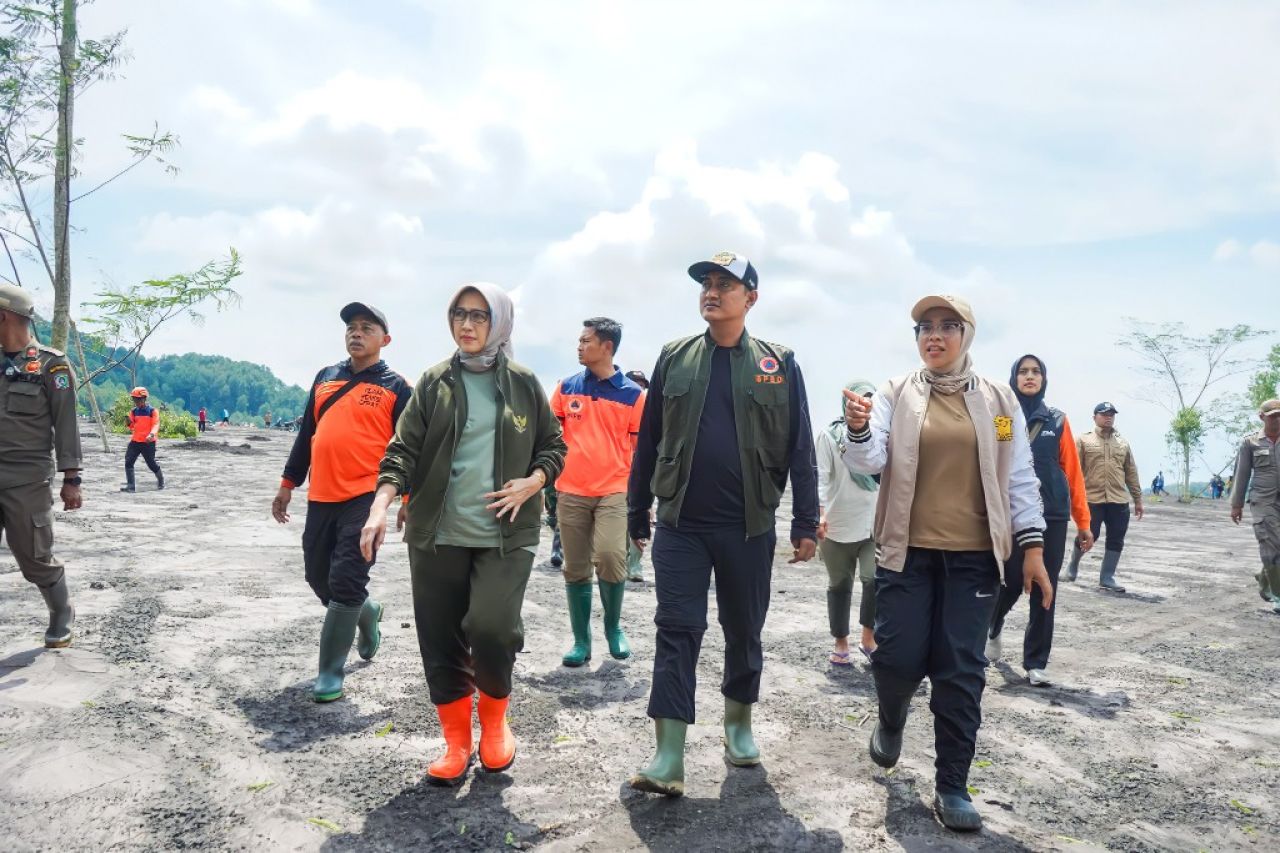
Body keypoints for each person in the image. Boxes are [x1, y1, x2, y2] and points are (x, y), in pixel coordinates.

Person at [843, 295, 1050, 832]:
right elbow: (869, 461)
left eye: (946, 326)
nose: (933, 336)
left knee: (961, 670)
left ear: (967, 334)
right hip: (906, 554)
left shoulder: (1001, 405)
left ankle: (952, 784)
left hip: (975, 560)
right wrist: (859, 427)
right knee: (896, 656)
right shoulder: (895, 394)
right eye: (924, 327)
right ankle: (891, 721)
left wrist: (1032, 549)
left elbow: (1016, 473)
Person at [627, 251, 819, 797]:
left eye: (725, 285)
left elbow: (799, 444)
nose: (712, 292)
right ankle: (668, 754)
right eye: (706, 284)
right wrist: (636, 508)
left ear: (750, 298)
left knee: (744, 630)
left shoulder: (779, 363)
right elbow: (651, 438)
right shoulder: (676, 357)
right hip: (681, 524)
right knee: (676, 630)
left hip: (749, 525)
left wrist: (806, 519)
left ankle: (738, 726)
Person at [360, 282, 565, 786]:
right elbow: (402, 450)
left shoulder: (522, 382)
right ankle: (456, 740)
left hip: (505, 534)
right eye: (458, 314)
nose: (467, 325)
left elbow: (554, 447)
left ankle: (495, 726)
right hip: (438, 534)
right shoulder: (433, 383)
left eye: (478, 316)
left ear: (498, 322)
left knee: (493, 628)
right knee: (440, 635)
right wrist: (380, 506)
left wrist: (532, 482)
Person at [271, 302, 411, 702]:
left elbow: (407, 448)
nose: (356, 333)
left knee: (347, 578)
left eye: (367, 327)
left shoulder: (398, 387)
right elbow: (307, 436)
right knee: (319, 577)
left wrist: (407, 498)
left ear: (385, 339)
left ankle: (330, 674)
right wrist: (287, 483)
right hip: (321, 495)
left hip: (368, 499)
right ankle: (367, 613)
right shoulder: (325, 377)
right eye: (351, 327)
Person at [985, 355, 1093, 686]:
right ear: (1013, 378)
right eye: (1023, 372)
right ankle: (994, 625)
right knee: (1013, 581)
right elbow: (997, 462)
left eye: (1036, 372)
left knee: (1047, 587)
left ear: (1044, 379)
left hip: (1053, 515)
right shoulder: (1003, 419)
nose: (1029, 377)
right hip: (1015, 515)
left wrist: (1083, 521)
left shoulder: (1057, 420)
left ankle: (1035, 662)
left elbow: (1072, 473)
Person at [551, 318, 647, 667]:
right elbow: (549, 439)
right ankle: (581, 641)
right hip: (571, 489)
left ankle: (613, 629)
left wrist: (642, 501)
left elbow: (640, 452)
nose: (579, 346)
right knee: (575, 568)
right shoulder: (565, 387)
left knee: (609, 556)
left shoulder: (634, 396)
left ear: (607, 346)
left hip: (614, 490)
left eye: (585, 340)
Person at [0, 283, 83, 648]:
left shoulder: (53, 365)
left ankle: (61, 611)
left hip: (26, 480)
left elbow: (67, 424)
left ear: (3, 316)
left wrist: (72, 479)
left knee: (35, 556)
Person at [816, 379, 879, 666]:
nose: (865, 406)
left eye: (871, 401)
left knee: (874, 580)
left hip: (872, 525)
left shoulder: (880, 438)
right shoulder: (828, 437)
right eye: (860, 400)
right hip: (838, 526)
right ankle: (841, 642)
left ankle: (869, 638)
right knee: (840, 585)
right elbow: (819, 475)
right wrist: (819, 513)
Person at [1064, 402, 1143, 592]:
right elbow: (1072, 470)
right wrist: (1068, 497)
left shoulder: (1122, 443)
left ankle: (1107, 577)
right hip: (1092, 498)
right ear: (1094, 417)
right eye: (1104, 414)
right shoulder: (1083, 440)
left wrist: (1138, 499)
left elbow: (1130, 472)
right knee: (1090, 534)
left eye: (1111, 414)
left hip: (1118, 500)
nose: (1108, 417)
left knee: (1116, 538)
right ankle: (1072, 566)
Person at [1231, 399, 1280, 613]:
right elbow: (1241, 475)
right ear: (1262, 417)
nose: (1277, 419)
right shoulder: (1250, 443)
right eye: (1273, 416)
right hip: (1263, 501)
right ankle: (1278, 595)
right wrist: (1236, 504)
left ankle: (1266, 580)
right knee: (1271, 545)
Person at [624, 369, 651, 582]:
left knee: (639, 516)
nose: (639, 387)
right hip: (617, 469)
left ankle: (634, 564)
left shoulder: (652, 409)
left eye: (642, 384)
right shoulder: (620, 404)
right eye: (635, 383)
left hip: (641, 472)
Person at [120, 387, 164, 492]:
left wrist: (152, 434)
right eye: (134, 399)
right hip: (135, 441)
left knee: (151, 464)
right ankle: (131, 486)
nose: (136, 402)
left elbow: (156, 424)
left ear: (144, 398)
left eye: (138, 399)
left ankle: (161, 480)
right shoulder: (133, 412)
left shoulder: (153, 411)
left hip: (148, 442)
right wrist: (128, 422)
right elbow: (131, 427)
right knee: (128, 461)